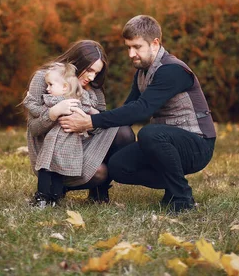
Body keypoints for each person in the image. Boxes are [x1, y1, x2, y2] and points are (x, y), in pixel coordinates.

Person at [60, 15, 216, 214]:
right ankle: (170, 184)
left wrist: (90, 122)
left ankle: (182, 198)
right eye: (128, 47)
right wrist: (93, 116)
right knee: (118, 166)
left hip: (198, 143)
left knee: (149, 133)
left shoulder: (172, 70)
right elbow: (129, 110)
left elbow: (142, 110)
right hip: (167, 143)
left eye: (136, 47)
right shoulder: (143, 72)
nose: (131, 53)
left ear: (155, 43)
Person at [24, 40, 135, 207]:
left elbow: (99, 124)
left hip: (80, 143)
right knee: (99, 173)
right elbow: (34, 129)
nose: (91, 77)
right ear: (76, 63)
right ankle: (53, 188)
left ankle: (99, 192)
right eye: (89, 70)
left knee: (124, 133)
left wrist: (87, 122)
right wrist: (54, 112)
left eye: (96, 73)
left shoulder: (93, 89)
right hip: (51, 148)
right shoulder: (46, 78)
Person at [22, 62, 94, 206]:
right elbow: (88, 106)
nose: (47, 89)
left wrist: (28, 100)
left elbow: (38, 111)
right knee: (58, 172)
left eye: (50, 85)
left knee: (45, 169)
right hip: (70, 145)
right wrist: (82, 91)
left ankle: (42, 197)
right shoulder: (76, 101)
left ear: (64, 87)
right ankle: (55, 198)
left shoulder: (54, 100)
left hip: (54, 141)